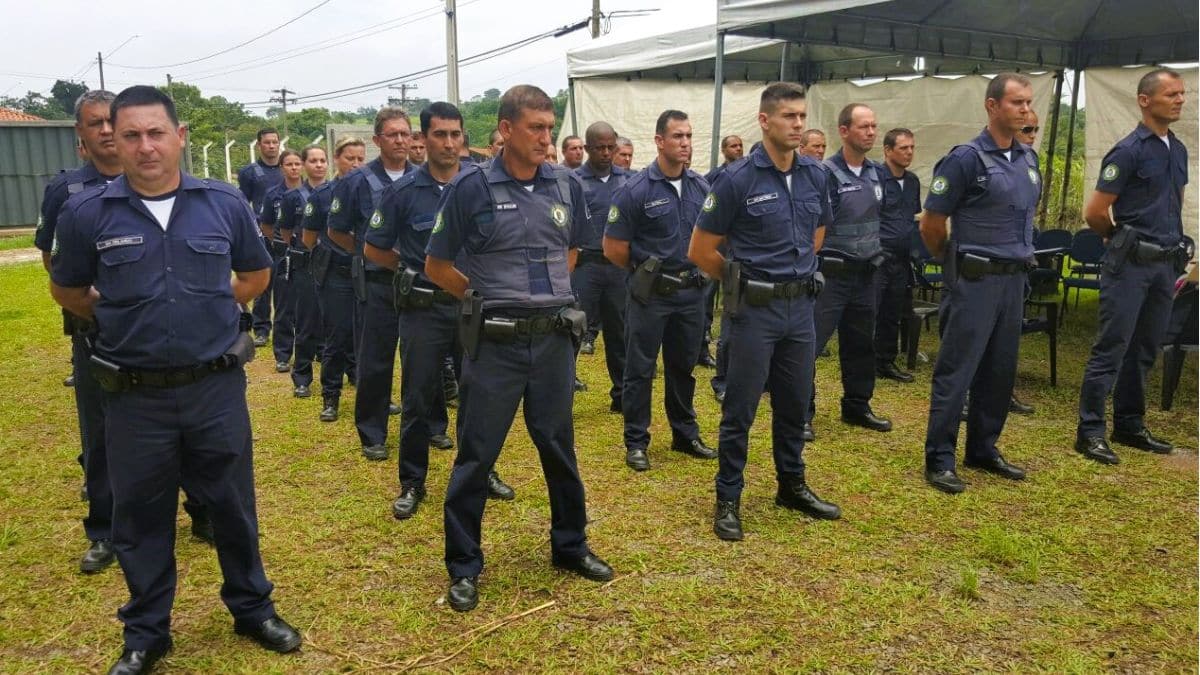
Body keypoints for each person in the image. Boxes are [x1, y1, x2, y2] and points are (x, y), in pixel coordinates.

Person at [49, 85, 300, 674]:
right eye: (131, 135)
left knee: (232, 506)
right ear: (114, 140)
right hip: (134, 396)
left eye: (156, 133)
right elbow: (68, 289)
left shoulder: (224, 203)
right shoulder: (86, 213)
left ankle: (251, 608)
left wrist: (207, 308)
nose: (145, 146)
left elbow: (254, 275)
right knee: (140, 516)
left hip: (214, 388)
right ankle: (146, 632)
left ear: (179, 137)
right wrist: (124, 318)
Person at [426, 84, 613, 612]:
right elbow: (437, 266)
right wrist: (485, 298)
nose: (546, 139)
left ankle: (570, 546)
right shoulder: (471, 188)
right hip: (496, 345)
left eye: (550, 128)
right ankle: (464, 565)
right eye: (536, 128)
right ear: (506, 130)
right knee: (477, 455)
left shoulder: (564, 184)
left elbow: (571, 250)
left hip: (553, 341)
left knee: (558, 447)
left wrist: (544, 297)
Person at [690, 82, 841, 541]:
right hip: (755, 312)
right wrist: (741, 282)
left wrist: (797, 269)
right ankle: (728, 497)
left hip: (800, 309)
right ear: (764, 120)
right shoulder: (737, 179)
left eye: (802, 116)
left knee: (794, 404)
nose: (798, 124)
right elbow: (701, 250)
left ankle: (791, 485)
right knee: (741, 409)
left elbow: (818, 232)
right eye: (788, 116)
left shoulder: (815, 175)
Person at [364, 101, 512, 520]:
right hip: (424, 309)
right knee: (417, 397)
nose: (449, 143)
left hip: (471, 307)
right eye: (439, 134)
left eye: (455, 134)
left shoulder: (481, 185)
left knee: (478, 397)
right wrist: (413, 269)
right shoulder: (403, 192)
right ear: (423, 139)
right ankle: (412, 481)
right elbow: (374, 247)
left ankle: (480, 472)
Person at [919, 73, 1039, 494]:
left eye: (1028, 103)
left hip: (1012, 281)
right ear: (992, 106)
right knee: (957, 371)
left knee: (999, 371)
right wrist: (953, 261)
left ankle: (983, 448)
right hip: (974, 280)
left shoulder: (1027, 159)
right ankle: (940, 458)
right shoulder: (966, 159)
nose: (1026, 110)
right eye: (1017, 103)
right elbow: (932, 224)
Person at [1075, 68, 1188, 465]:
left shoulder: (1178, 149)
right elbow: (1095, 211)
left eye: (1182, 93)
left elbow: (1174, 204)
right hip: (1131, 264)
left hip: (1164, 264)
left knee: (1145, 347)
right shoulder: (1128, 151)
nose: (1179, 100)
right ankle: (1090, 431)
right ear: (1144, 100)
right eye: (1171, 94)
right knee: (1112, 346)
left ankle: (1129, 423)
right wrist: (1117, 238)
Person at [604, 109, 716, 472]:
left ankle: (685, 434)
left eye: (689, 136)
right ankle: (636, 441)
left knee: (683, 367)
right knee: (640, 369)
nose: (685, 143)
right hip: (650, 296)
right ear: (659, 141)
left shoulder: (700, 186)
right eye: (677, 136)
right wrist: (645, 273)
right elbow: (613, 247)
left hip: (691, 294)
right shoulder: (635, 189)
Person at [327, 107, 416, 461]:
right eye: (392, 134)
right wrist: (369, 253)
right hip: (378, 283)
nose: (399, 140)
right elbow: (337, 230)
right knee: (376, 361)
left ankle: (427, 427)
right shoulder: (356, 181)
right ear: (378, 140)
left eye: (405, 134)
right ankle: (373, 432)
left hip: (417, 283)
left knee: (421, 360)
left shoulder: (422, 178)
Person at [810, 103, 893, 438]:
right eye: (863, 127)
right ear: (844, 131)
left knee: (861, 344)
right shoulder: (826, 174)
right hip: (833, 275)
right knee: (810, 345)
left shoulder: (877, 173)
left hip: (866, 274)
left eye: (873, 126)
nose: (871, 132)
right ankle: (801, 413)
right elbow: (815, 225)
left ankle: (857, 406)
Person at [302, 136, 365, 422]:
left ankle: (372, 393)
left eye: (360, 159)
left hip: (366, 272)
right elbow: (309, 238)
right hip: (336, 273)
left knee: (368, 338)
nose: (356, 164)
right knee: (337, 337)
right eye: (350, 158)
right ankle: (331, 396)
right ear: (337, 159)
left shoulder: (371, 190)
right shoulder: (322, 195)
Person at [572, 121, 630, 411]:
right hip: (586, 267)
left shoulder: (628, 180)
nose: (606, 153)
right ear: (587, 148)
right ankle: (562, 392)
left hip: (618, 269)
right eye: (599, 148)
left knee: (619, 333)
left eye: (610, 147)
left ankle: (622, 395)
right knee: (572, 330)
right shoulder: (573, 182)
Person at [276, 145, 328, 399]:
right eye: (313, 160)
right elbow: (285, 231)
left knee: (340, 324)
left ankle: (350, 371)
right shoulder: (293, 197)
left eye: (322, 160)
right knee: (307, 322)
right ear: (305, 165)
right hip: (305, 263)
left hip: (332, 263)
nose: (318, 165)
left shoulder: (336, 192)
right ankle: (302, 377)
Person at [874, 128, 921, 384]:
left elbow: (913, 216)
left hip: (902, 259)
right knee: (872, 310)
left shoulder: (912, 182)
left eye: (912, 147)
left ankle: (885, 361)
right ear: (887, 150)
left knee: (893, 311)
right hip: (879, 257)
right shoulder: (875, 178)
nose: (909, 152)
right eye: (903, 148)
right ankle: (863, 360)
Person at [238, 128, 284, 346]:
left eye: (275, 142)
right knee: (263, 282)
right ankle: (262, 329)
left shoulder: (288, 167)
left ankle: (288, 328)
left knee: (287, 284)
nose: (272, 146)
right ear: (259, 145)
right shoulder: (250, 172)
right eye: (267, 142)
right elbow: (243, 204)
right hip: (261, 234)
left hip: (286, 233)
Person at [259, 149, 303, 373]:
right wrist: (280, 243)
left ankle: (315, 350)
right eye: (289, 164)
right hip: (284, 254)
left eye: (297, 163)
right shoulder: (273, 195)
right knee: (284, 306)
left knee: (310, 307)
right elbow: (266, 225)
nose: (294, 168)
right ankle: (283, 354)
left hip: (308, 255)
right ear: (281, 168)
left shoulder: (312, 192)